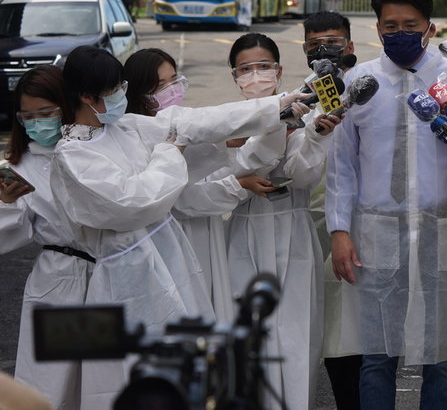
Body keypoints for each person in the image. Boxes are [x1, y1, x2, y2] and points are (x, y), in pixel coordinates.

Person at [50, 45, 304, 409]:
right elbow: (135, 201)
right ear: (87, 97)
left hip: (171, 258)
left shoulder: (126, 126)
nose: (122, 97)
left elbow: (190, 123)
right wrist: (170, 155)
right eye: (113, 92)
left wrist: (277, 106)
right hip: (128, 278)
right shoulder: (73, 156)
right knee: (139, 375)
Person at [326, 0, 447, 410]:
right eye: (390, 25)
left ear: (431, 27)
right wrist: (339, 229)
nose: (400, 33)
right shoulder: (359, 83)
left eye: (410, 24)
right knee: (377, 356)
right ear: (377, 28)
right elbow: (342, 165)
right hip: (376, 233)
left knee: (441, 357)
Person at [225, 33, 340, 410]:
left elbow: (301, 175)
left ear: (279, 70)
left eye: (263, 67)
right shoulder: (224, 122)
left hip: (292, 230)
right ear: (235, 76)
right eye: (246, 69)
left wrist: (317, 136)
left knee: (295, 334)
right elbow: (237, 169)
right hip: (246, 232)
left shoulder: (301, 110)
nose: (255, 75)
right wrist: (275, 124)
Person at [123, 48, 269, 320]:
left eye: (174, 80)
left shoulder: (192, 124)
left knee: (210, 306)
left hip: (206, 232)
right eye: (160, 86)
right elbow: (182, 201)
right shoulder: (138, 138)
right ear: (139, 93)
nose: (172, 90)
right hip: (175, 238)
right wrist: (237, 186)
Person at [0, 66, 87, 410]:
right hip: (59, 281)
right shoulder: (22, 165)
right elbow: (11, 235)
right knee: (51, 384)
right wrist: (6, 203)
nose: (38, 123)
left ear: (66, 106)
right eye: (28, 117)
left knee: (97, 378)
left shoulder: (93, 147)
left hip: (106, 274)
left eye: (47, 113)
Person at [300, 10, 363, 410]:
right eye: (315, 45)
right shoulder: (299, 96)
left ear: (351, 47)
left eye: (333, 43)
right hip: (308, 222)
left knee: (349, 330)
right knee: (316, 327)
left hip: (356, 224)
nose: (324, 50)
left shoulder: (368, 89)